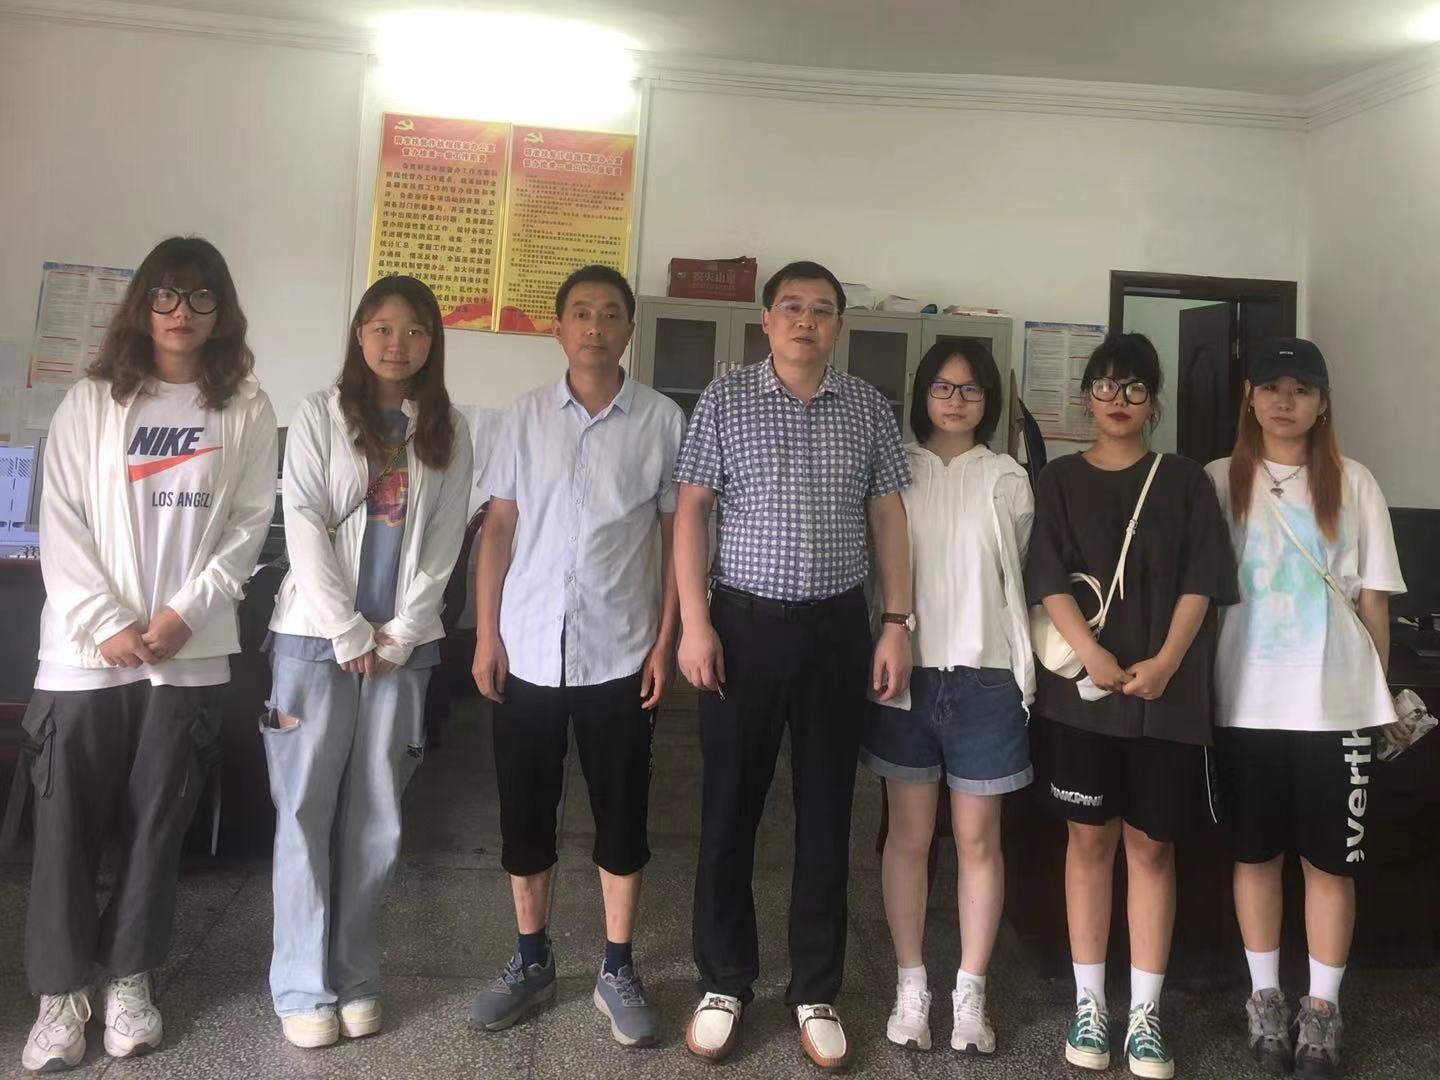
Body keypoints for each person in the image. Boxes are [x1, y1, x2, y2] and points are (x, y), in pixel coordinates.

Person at [18, 237, 277, 1072]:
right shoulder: (91, 401)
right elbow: (60, 518)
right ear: (143, 304)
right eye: (166, 295)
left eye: (200, 297)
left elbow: (247, 528)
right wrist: (105, 622)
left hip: (185, 656)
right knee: (65, 832)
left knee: (156, 830)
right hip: (82, 657)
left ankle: (130, 981)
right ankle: (61, 997)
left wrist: (182, 616)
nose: (181, 312)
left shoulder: (245, 407)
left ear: (221, 310)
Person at [674, 260, 913, 1071]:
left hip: (836, 631)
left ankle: (815, 988)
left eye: (821, 309)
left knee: (825, 813)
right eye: (791, 307)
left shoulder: (868, 408)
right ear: (766, 321)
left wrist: (894, 624)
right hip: (740, 628)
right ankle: (724, 981)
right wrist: (695, 624)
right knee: (727, 809)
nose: (805, 321)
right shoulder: (725, 398)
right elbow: (692, 511)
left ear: (839, 324)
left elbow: (888, 517)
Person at [467, 265, 683, 1048]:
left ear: (630, 328)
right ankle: (531, 958)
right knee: (524, 811)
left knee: (622, 812)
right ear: (557, 328)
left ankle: (617, 967)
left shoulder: (662, 420)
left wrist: (667, 640)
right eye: (581, 313)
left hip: (620, 651)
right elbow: (498, 529)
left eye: (611, 313)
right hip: (526, 647)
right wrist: (486, 633)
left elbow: (676, 538)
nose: (595, 326)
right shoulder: (521, 417)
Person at [263, 274, 472, 1048]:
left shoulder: (446, 428)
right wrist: (348, 631)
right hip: (314, 642)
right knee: (304, 814)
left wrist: (403, 631)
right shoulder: (319, 415)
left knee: (377, 820)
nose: (397, 343)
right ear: (359, 333)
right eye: (383, 327)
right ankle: (301, 985)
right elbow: (303, 522)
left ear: (431, 342)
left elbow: (445, 539)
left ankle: (355, 976)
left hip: (400, 652)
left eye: (414, 330)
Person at [1024, 333, 1237, 1079]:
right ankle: (1091, 1005)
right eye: (1106, 386)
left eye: (1135, 388)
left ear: (1154, 401)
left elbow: (1202, 581)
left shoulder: (1184, 481)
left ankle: (1145, 1013)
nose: (1119, 400)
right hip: (1082, 698)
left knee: (1151, 849)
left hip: (1164, 700)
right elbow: (1047, 579)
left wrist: (1168, 661)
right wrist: (1092, 653)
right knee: (1088, 844)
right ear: (1086, 395)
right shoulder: (1058, 480)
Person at [1207, 338, 1405, 1080]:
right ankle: (1265, 1001)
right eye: (1271, 387)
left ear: (1323, 402)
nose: (1284, 401)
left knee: (1330, 865)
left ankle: (1321, 1011)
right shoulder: (1217, 480)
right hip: (1245, 703)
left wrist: (1378, 695)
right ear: (1250, 397)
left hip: (1335, 707)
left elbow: (1375, 602)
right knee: (1254, 856)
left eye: (1301, 388)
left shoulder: (1355, 483)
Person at [862, 339, 1034, 1057]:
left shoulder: (1009, 477)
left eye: (970, 389)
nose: (955, 400)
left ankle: (970, 991)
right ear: (922, 394)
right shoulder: (895, 468)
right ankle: (912, 985)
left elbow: (1017, 574)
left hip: (986, 680)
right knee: (906, 838)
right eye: (942, 387)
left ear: (988, 399)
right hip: (908, 673)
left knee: (977, 842)